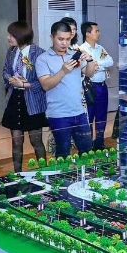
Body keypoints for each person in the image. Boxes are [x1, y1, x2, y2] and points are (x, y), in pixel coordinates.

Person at [36, 20, 98, 157]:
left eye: (68, 39)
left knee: (87, 151)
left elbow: (89, 74)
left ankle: (86, 172)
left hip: (79, 112)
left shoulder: (74, 54)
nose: (64, 43)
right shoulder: (43, 59)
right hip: (58, 115)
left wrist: (89, 60)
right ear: (52, 37)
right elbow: (45, 85)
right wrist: (63, 71)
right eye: (60, 39)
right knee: (63, 153)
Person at [1, 21, 48, 172]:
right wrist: (11, 79)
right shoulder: (11, 51)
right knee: (16, 142)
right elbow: (5, 71)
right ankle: (17, 175)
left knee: (36, 141)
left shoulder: (39, 53)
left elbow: (44, 82)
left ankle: (44, 173)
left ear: (21, 36)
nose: (8, 38)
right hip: (14, 99)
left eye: (11, 35)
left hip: (32, 101)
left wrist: (25, 84)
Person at [79, 21, 115, 150]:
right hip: (89, 87)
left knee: (101, 116)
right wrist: (99, 65)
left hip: (102, 86)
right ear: (88, 33)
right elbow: (87, 69)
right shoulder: (82, 49)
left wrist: (96, 64)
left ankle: (99, 144)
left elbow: (110, 61)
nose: (99, 33)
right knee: (89, 116)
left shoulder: (100, 48)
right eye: (96, 31)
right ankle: (88, 146)